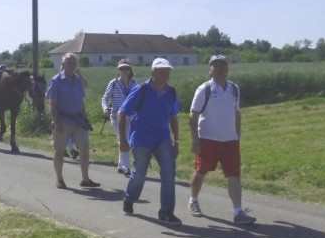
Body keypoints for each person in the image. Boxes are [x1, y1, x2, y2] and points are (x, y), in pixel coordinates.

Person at [188, 55, 256, 225]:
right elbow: (193, 114)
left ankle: (238, 212)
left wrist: (237, 135)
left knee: (234, 175)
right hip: (208, 140)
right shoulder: (204, 89)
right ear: (209, 69)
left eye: (222, 65)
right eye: (215, 65)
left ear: (227, 69)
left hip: (230, 142)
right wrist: (195, 140)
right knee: (200, 172)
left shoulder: (234, 89)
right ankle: (193, 200)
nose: (218, 68)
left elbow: (237, 113)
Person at [118, 58, 181, 226]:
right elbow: (122, 112)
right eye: (162, 72)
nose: (166, 75)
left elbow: (174, 117)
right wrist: (122, 140)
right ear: (152, 73)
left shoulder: (171, 93)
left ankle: (166, 212)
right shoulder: (141, 90)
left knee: (169, 173)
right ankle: (129, 198)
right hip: (141, 139)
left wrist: (176, 141)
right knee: (139, 175)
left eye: (168, 72)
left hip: (163, 138)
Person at [46, 52, 100, 190]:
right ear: (62, 64)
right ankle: (59, 179)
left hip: (78, 120)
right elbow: (52, 103)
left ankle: (85, 179)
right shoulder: (56, 80)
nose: (71, 65)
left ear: (76, 65)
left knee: (84, 146)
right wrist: (56, 122)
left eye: (73, 62)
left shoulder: (77, 80)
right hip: (62, 120)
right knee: (59, 150)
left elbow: (80, 101)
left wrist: (86, 119)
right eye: (68, 62)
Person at [102, 59, 137, 177]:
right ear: (118, 70)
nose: (124, 71)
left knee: (125, 139)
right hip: (116, 116)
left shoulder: (134, 85)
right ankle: (126, 167)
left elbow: (138, 100)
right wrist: (106, 108)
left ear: (129, 70)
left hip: (130, 117)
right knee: (123, 139)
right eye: (122, 68)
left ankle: (120, 165)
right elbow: (105, 98)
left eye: (127, 68)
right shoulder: (113, 83)